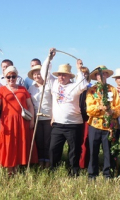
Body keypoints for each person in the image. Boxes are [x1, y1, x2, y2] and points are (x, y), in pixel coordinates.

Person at [41, 48, 88, 176]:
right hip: (58, 124)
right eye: (60, 74)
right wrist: (49, 58)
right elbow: (44, 72)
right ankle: (53, 169)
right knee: (53, 148)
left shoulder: (74, 86)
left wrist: (79, 69)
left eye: (64, 75)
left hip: (74, 124)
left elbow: (83, 84)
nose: (61, 77)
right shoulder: (54, 83)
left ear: (69, 76)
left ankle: (74, 171)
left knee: (74, 150)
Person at [0, 66, 38, 175]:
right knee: (9, 144)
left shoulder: (23, 89)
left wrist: (32, 120)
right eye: (8, 77)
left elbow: (30, 105)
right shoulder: (2, 90)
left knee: (20, 143)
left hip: (22, 121)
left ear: (17, 77)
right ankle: (9, 169)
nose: (11, 79)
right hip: (8, 121)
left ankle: (17, 167)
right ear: (5, 77)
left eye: (13, 76)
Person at [86, 65, 120, 179]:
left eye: (104, 73)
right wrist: (100, 107)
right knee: (93, 151)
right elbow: (89, 109)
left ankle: (108, 175)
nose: (101, 76)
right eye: (99, 74)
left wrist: (112, 111)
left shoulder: (113, 89)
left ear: (107, 75)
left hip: (110, 126)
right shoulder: (91, 91)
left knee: (108, 152)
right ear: (96, 77)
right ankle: (92, 175)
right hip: (95, 125)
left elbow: (118, 107)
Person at [28, 65, 52, 168]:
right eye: (35, 74)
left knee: (47, 141)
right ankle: (40, 160)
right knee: (39, 140)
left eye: (39, 73)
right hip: (37, 117)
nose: (37, 76)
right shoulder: (31, 88)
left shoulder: (48, 86)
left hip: (48, 117)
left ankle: (48, 160)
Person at [78, 67, 91, 169]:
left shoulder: (91, 88)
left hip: (87, 118)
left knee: (85, 141)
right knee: (76, 141)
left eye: (85, 73)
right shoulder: (74, 87)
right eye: (82, 73)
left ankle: (84, 164)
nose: (84, 75)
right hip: (76, 118)